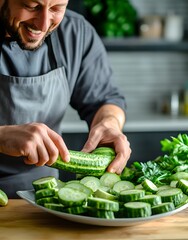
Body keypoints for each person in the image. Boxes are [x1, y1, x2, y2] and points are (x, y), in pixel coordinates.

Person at [0, 0, 131, 198]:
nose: (43, 25)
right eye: (31, 6)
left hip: (42, 196)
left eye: (56, 8)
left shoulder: (76, 33)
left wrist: (109, 123)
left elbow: (105, 99)